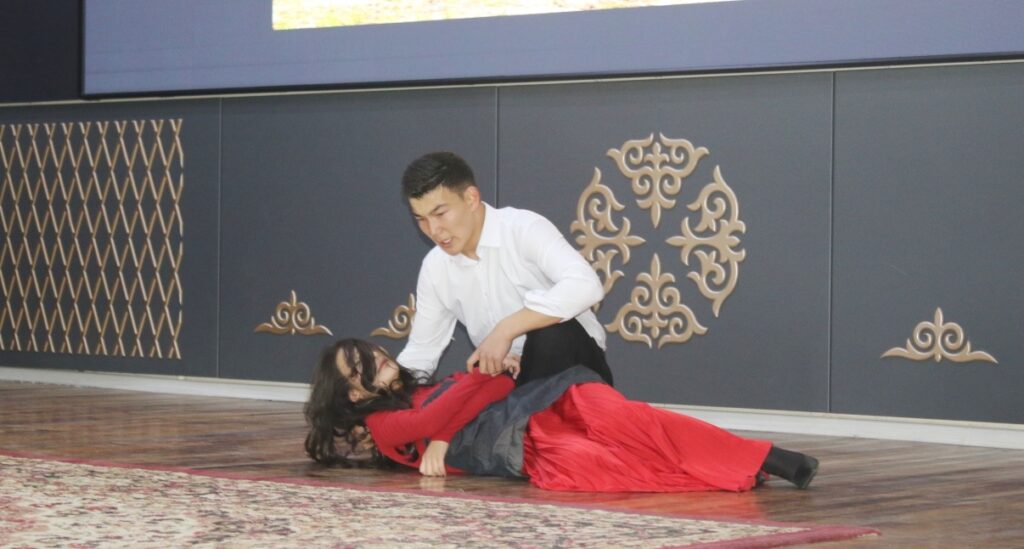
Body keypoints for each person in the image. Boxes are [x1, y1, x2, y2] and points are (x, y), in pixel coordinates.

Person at [305, 339, 820, 492]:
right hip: (526, 446)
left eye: (370, 350)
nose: (376, 355)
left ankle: (768, 457)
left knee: (634, 422)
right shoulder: (383, 429)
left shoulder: (430, 387)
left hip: (552, 399)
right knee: (617, 468)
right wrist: (467, 389)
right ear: (352, 393)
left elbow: (501, 383)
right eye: (360, 363)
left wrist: (448, 424)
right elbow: (433, 417)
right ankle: (736, 470)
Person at [395, 151, 613, 387]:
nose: (433, 230)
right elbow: (422, 352)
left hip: (576, 370)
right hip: (512, 380)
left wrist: (505, 330)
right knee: (474, 381)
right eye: (421, 219)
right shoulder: (435, 267)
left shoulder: (523, 228)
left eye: (440, 214)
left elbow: (586, 286)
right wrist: (382, 394)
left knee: (551, 334)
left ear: (471, 198)